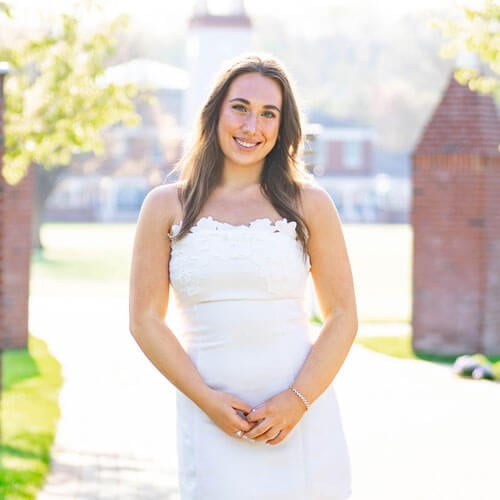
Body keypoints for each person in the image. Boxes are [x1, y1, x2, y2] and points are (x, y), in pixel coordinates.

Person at [129, 54, 358, 500]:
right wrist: (207, 400)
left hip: (300, 420)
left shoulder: (309, 203)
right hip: (211, 416)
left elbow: (344, 316)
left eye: (268, 113)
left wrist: (297, 401)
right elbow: (144, 321)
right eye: (240, 107)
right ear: (215, 112)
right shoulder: (165, 206)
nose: (252, 125)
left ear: (282, 125)